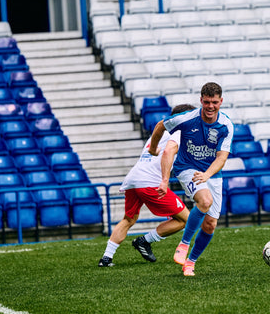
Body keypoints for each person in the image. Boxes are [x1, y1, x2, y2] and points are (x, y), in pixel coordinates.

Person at [149, 82, 234, 276]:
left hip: (211, 173)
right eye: (206, 102)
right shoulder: (188, 118)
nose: (210, 106)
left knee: (210, 224)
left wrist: (207, 175)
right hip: (187, 168)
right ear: (201, 101)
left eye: (214, 102)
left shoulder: (226, 125)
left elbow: (222, 157)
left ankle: (190, 263)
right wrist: (154, 148)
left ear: (221, 101)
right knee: (205, 201)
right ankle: (184, 244)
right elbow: (161, 125)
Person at [98, 104, 196, 267]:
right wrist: (165, 180)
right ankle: (144, 241)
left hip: (134, 178)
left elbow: (156, 152)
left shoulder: (161, 132)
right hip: (150, 182)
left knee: (129, 219)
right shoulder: (179, 132)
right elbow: (167, 153)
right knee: (186, 219)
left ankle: (106, 258)